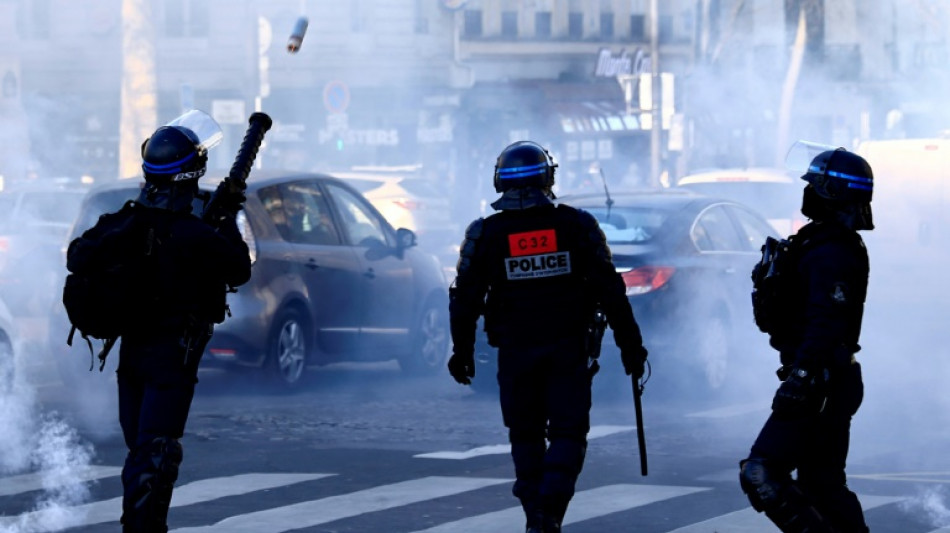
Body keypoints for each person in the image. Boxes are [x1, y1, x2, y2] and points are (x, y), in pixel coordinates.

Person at [447, 140, 649, 533]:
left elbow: (465, 298)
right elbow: (610, 289)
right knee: (568, 432)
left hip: (515, 352)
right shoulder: (577, 225)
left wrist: (462, 351)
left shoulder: (485, 234)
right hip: (567, 348)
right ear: (548, 177)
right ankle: (549, 512)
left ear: (499, 180)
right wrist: (631, 347)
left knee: (524, 435)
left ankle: (535, 516)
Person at [66, 111, 252, 533]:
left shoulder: (128, 221)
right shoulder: (194, 232)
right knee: (156, 453)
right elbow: (239, 269)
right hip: (172, 357)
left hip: (130, 354)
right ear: (190, 177)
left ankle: (138, 525)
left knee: (141, 450)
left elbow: (79, 254)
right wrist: (226, 221)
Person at [740, 147, 874, 533]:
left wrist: (801, 377)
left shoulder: (832, 250)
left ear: (832, 192)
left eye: (815, 185)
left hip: (821, 378)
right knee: (823, 485)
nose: (807, 192)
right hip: (827, 376)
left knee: (762, 472)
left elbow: (826, 321)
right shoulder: (822, 241)